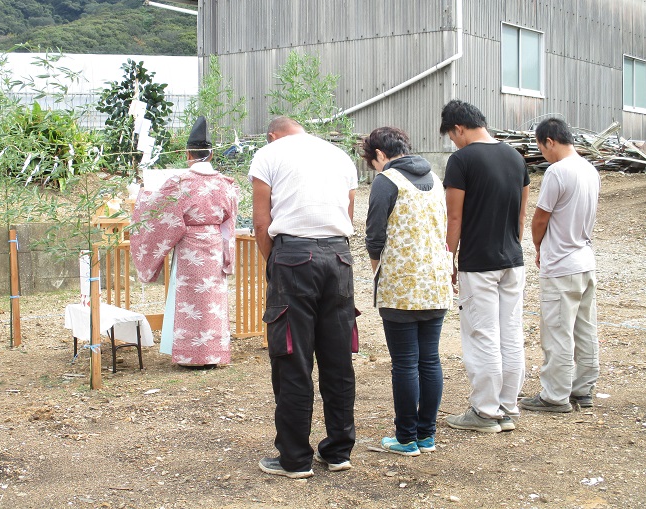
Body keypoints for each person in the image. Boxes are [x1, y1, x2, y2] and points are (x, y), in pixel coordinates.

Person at [249, 117, 358, 479]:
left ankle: (295, 458)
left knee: (292, 358)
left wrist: (276, 262)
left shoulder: (268, 154)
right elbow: (348, 212)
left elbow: (261, 223)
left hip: (293, 255)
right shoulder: (339, 155)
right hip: (338, 256)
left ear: (272, 135)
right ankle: (338, 451)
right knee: (337, 358)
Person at [440, 100, 530, 433]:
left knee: (482, 334)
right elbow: (521, 214)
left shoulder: (461, 160)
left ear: (458, 128)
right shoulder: (515, 157)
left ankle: (485, 411)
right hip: (512, 260)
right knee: (510, 332)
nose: (454, 142)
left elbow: (454, 217)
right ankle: (508, 406)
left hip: (479, 263)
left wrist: (449, 258)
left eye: (452, 136)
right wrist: (512, 247)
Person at [362, 127, 452, 457]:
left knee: (404, 364)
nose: (375, 167)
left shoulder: (388, 181)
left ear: (381, 155)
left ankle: (405, 438)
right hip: (436, 281)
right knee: (429, 359)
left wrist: (377, 270)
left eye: (373, 161)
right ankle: (426, 435)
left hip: (402, 285)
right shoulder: (435, 178)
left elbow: (374, 234)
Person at [130, 116, 238, 367]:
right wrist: (227, 253)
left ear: (188, 154)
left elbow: (157, 210)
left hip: (190, 246)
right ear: (211, 155)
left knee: (190, 300)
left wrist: (141, 195)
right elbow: (229, 221)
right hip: (214, 245)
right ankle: (212, 354)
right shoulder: (226, 184)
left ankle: (190, 356)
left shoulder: (180, 182)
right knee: (212, 302)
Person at [519, 118, 600, 413]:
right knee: (585, 328)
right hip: (585, 259)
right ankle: (583, 389)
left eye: (542, 147)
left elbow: (540, 218)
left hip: (562, 263)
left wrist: (539, 246)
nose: (543, 154)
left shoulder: (558, 171)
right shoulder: (590, 170)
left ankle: (555, 395)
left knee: (557, 331)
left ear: (550, 141)